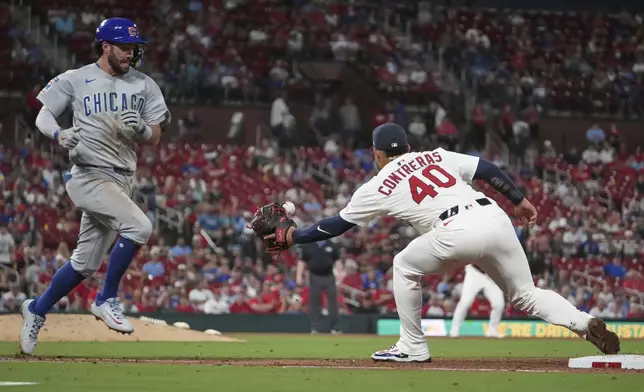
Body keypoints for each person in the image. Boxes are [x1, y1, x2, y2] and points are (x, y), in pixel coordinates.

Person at [263, 122, 620, 362]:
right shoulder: (435, 155)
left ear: (376, 153)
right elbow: (488, 169)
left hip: (455, 230)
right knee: (526, 293)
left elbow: (335, 225)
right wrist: (519, 200)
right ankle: (583, 322)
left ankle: (413, 346)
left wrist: (295, 236)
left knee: (403, 265)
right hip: (494, 217)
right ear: (408, 146)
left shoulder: (378, 185)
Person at [19, 18, 171, 355]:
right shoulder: (76, 78)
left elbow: (157, 135)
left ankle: (36, 309)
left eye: (134, 48)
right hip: (87, 174)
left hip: (120, 179)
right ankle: (106, 298)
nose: (131, 54)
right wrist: (57, 133)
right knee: (139, 226)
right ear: (105, 46)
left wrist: (144, 131)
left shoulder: (144, 84)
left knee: (84, 264)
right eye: (125, 47)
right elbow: (44, 114)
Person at [296, 240, 342, 334]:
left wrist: (340, 275)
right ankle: (315, 327)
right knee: (315, 302)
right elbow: (302, 262)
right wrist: (299, 276)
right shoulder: (309, 245)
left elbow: (337, 261)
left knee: (333, 303)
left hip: (329, 276)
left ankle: (335, 327)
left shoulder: (331, 245)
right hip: (314, 276)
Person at [449, 265, 505, 338]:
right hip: (474, 272)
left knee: (499, 304)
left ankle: (492, 330)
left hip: (491, 274)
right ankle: (454, 330)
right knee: (465, 302)